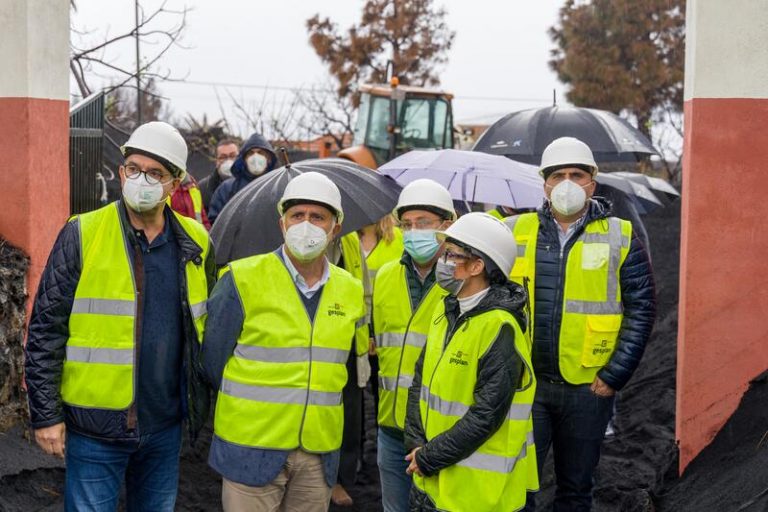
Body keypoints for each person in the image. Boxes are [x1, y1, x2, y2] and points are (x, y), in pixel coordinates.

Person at [24, 121, 215, 511]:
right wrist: (46, 416)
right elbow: (46, 329)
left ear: (174, 184)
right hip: (94, 428)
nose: (140, 179)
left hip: (164, 426)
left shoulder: (196, 242)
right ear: (121, 170)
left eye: (155, 173)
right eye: (133, 168)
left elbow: (202, 329)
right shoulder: (83, 232)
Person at [202, 172, 370, 512]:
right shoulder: (241, 278)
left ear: (334, 228)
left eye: (317, 217)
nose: (305, 226)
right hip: (250, 448)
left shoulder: (349, 289)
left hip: (317, 451)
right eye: (297, 216)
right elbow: (213, 361)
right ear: (282, 224)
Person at [505, 137, 656, 511]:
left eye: (577, 174)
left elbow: (642, 308)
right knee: (519, 488)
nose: (568, 183)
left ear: (593, 181)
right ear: (545, 183)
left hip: (588, 389)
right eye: (559, 175)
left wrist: (614, 375)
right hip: (528, 387)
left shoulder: (620, 237)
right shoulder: (514, 232)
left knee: (576, 490)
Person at [404, 212, 538, 512]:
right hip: (436, 482)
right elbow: (420, 383)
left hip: (478, 494)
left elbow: (486, 415)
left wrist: (428, 457)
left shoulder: (500, 327)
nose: (444, 261)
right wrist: (415, 443)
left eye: (452, 255)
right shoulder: (447, 309)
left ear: (477, 266)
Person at [371, 179, 456, 512]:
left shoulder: (461, 280)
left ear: (446, 226)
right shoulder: (386, 276)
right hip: (391, 426)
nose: (413, 231)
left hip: (439, 431)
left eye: (423, 223)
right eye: (406, 224)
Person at [207, 132, 277, 224]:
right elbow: (215, 221)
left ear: (269, 158)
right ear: (244, 159)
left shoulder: (277, 184)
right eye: (251, 153)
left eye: (260, 153)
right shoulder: (227, 188)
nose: (255, 157)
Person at [199, 138, 239, 211]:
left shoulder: (250, 182)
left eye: (233, 156)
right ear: (216, 161)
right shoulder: (204, 187)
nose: (229, 160)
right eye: (223, 157)